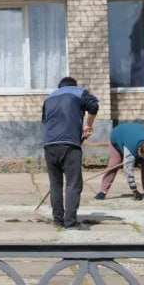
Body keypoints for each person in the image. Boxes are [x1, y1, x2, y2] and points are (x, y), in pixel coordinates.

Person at [41, 76, 99, 231]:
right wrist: (88, 125)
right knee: (73, 183)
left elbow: (45, 120)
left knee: (55, 184)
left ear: (60, 86)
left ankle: (58, 220)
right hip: (70, 145)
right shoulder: (79, 92)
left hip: (49, 144)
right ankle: (71, 222)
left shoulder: (49, 98)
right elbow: (94, 105)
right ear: (74, 85)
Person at [97, 122, 144, 200]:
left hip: (135, 133)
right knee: (114, 163)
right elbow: (128, 170)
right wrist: (134, 190)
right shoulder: (130, 149)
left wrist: (143, 161)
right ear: (138, 150)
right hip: (118, 135)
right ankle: (102, 191)